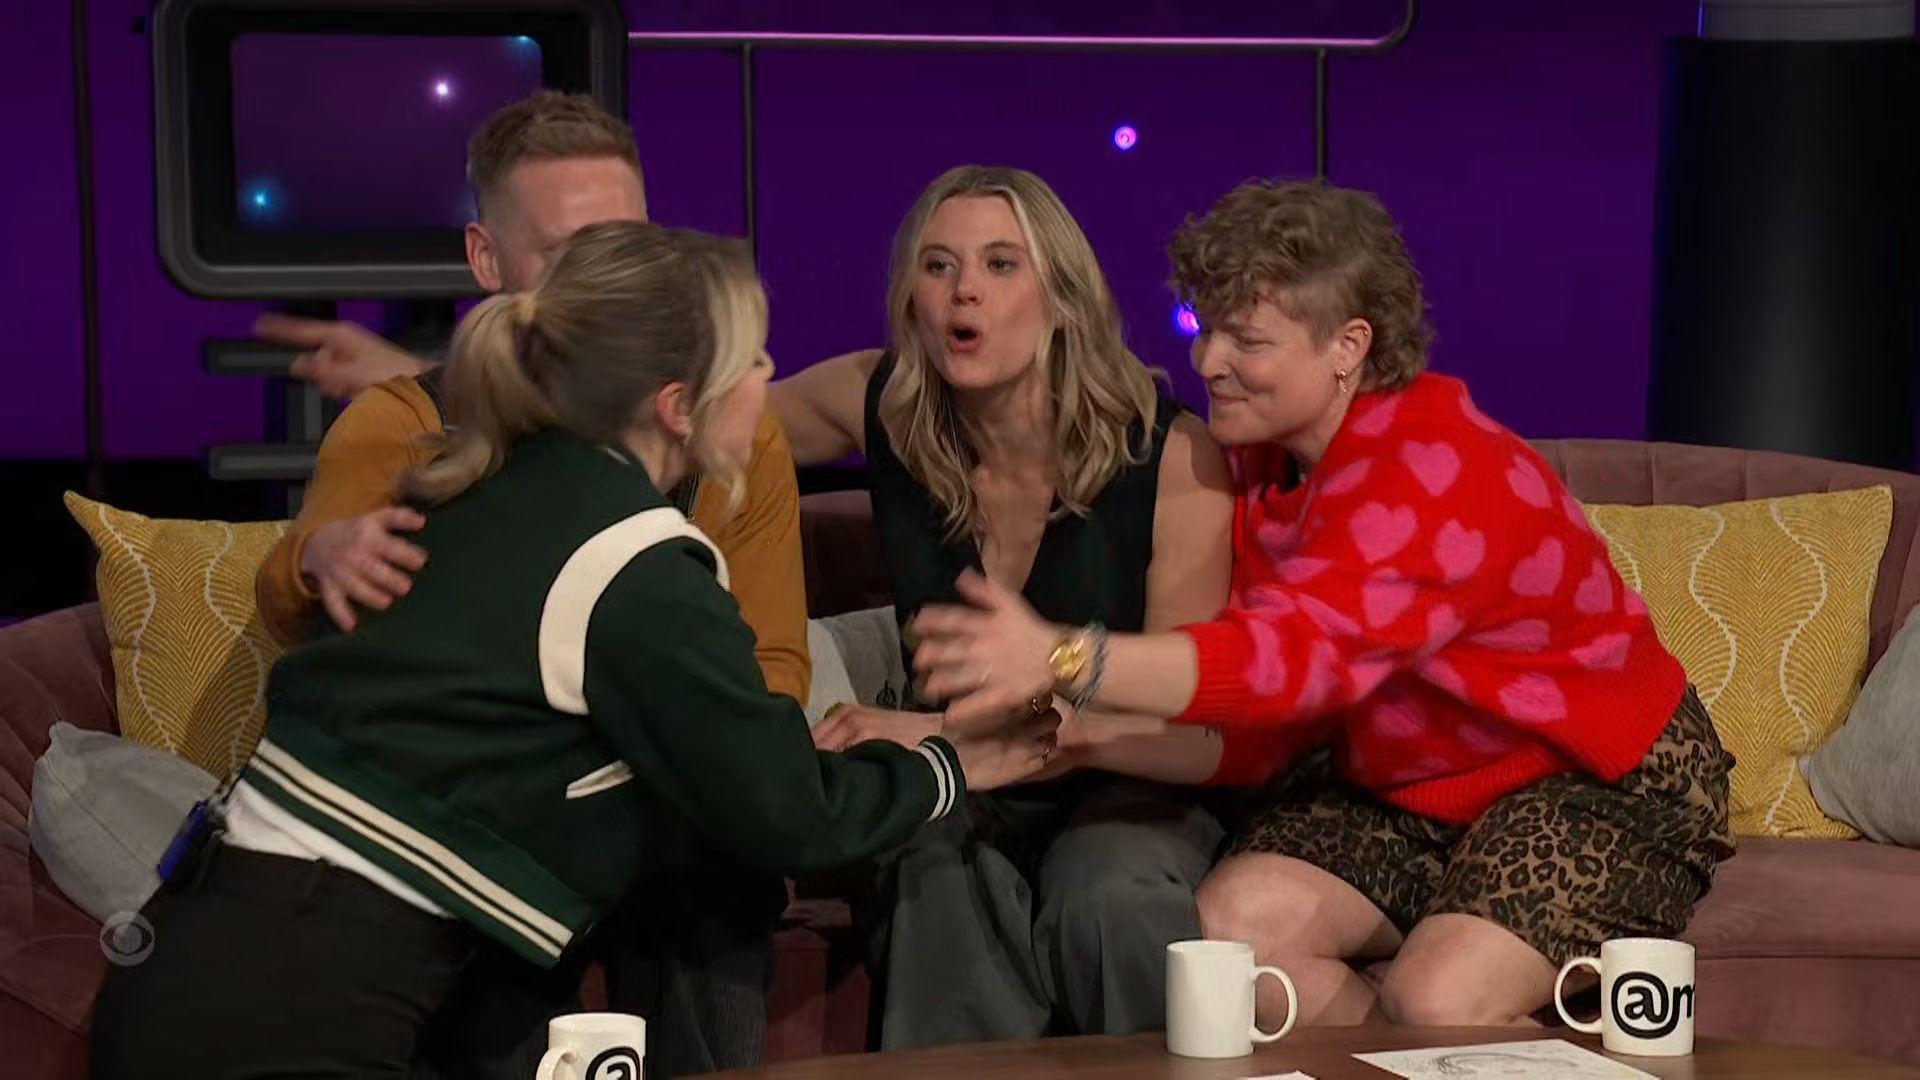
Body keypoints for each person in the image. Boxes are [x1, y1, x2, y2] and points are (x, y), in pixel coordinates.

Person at [89, 221, 1058, 1080]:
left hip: (209, 968)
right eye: (755, 360)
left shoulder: (486, 480)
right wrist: (953, 761)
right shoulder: (634, 562)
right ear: (679, 406)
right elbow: (787, 813)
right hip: (296, 1006)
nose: (770, 382)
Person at [904, 178, 1737, 1031]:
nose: (1207, 361)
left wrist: (1062, 656)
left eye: (1247, 340)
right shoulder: (1262, 464)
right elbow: (1254, 733)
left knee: (1435, 1000)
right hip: (1407, 791)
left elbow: (1280, 662)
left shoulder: (1432, 470)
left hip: (1588, 780)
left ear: (1348, 347)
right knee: (1226, 937)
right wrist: (1064, 738)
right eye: (1205, 327)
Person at [248, 91, 805, 1076]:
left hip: (671, 803)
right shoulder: (401, 425)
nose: (607, 282)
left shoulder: (737, 436)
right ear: (487, 260)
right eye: (568, 253)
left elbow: (773, 669)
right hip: (490, 822)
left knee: (724, 868)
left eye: (627, 246)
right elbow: (317, 632)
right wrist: (316, 555)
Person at [777, 165, 1237, 1047]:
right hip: (965, 785)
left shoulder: (1173, 454)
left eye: (999, 264)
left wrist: (946, 736)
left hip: (1131, 785)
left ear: (1061, 297)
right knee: (929, 864)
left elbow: (1194, 729)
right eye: (938, 265)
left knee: (1109, 892)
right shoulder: (881, 403)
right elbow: (700, 423)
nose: (964, 291)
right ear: (912, 298)